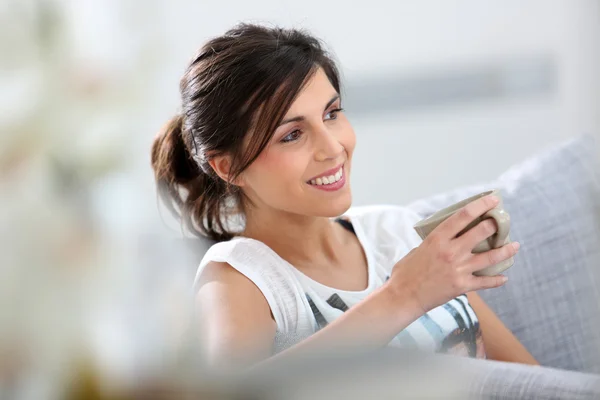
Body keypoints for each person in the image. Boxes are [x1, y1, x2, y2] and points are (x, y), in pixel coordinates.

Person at [151, 23, 539, 369]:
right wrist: (404, 295)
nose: (332, 147)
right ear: (228, 167)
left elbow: (533, 383)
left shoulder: (396, 229)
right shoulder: (239, 277)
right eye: (292, 134)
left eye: (332, 113)